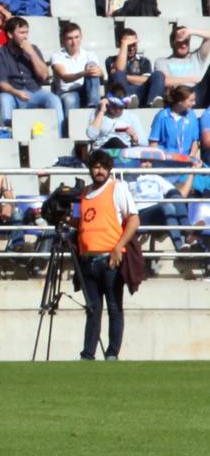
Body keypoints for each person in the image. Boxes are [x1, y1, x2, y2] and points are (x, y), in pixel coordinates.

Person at [75, 149, 139, 360]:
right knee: (92, 309)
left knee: (114, 307)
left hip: (110, 259)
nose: (99, 171)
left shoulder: (117, 188)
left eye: (103, 167)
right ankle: (88, 353)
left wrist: (118, 246)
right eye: (95, 167)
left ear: (109, 169)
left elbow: (133, 219)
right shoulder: (85, 193)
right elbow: (83, 221)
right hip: (87, 259)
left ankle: (112, 352)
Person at [0, 15, 64, 131]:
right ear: (10, 34)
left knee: (54, 99)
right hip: (12, 93)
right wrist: (16, 93)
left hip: (34, 91)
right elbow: (1, 83)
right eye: (21, 33)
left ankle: (58, 135)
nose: (25, 37)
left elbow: (44, 76)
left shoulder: (33, 49)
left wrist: (32, 54)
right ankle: (6, 135)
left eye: (26, 32)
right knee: (4, 99)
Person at [130, 156, 194, 251]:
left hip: (159, 212)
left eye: (150, 162)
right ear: (137, 162)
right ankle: (180, 243)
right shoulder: (130, 178)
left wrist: (193, 170)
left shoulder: (157, 178)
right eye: (144, 161)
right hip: (141, 214)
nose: (147, 164)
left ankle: (187, 232)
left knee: (175, 196)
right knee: (166, 205)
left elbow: (177, 193)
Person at [49, 21, 105, 114]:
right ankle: (70, 123)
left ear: (81, 37)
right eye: (70, 38)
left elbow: (100, 73)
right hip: (68, 91)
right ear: (63, 39)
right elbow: (65, 77)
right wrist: (84, 73)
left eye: (76, 37)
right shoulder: (57, 56)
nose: (74, 42)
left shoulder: (90, 55)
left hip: (87, 89)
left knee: (91, 65)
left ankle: (93, 107)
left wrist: (99, 72)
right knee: (70, 99)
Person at [86, 85, 148, 150]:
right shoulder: (97, 113)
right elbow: (91, 135)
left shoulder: (131, 116)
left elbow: (145, 143)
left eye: (121, 107)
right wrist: (101, 111)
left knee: (116, 142)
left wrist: (134, 136)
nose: (118, 110)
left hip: (123, 150)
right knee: (114, 141)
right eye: (114, 106)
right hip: (103, 150)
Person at [149, 84, 201, 152]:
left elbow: (195, 141)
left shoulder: (191, 115)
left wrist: (191, 156)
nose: (194, 103)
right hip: (167, 157)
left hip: (186, 158)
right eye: (191, 100)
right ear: (180, 101)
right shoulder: (162, 116)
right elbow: (153, 142)